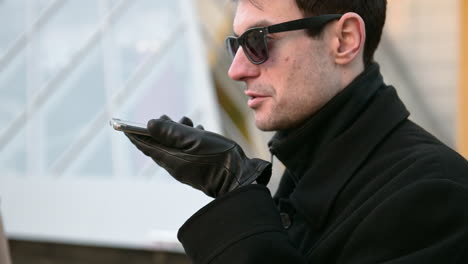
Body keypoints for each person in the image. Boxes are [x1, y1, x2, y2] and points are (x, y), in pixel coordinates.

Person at [125, 0, 468, 263]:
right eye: (236, 44)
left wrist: (236, 192)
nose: (236, 69)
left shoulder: (435, 193)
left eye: (258, 41)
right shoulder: (308, 173)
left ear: (344, 40)